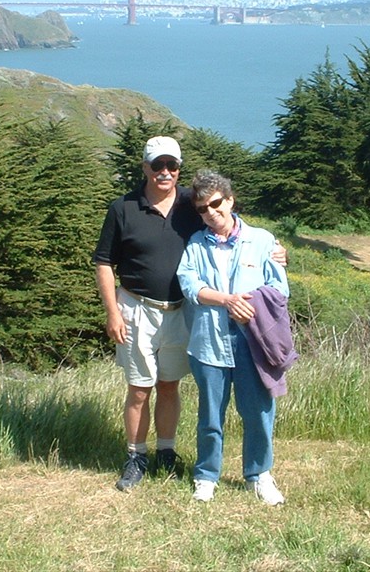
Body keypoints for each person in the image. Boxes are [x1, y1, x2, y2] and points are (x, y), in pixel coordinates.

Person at [94, 137, 287, 492]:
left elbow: (229, 220)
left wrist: (274, 249)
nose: (165, 172)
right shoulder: (123, 208)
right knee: (139, 388)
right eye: (157, 166)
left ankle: (166, 453)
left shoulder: (189, 203)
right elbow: (104, 262)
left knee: (169, 386)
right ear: (145, 168)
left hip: (183, 314)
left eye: (172, 166)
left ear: (179, 169)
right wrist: (113, 313)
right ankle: (136, 457)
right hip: (136, 308)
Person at [176, 169, 291, 505]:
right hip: (208, 343)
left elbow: (280, 288)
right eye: (201, 209)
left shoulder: (263, 240)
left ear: (230, 200)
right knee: (210, 415)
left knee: (258, 412)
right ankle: (206, 475)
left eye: (215, 204)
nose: (210, 213)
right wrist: (226, 301)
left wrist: (248, 303)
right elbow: (190, 286)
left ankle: (259, 475)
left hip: (252, 342)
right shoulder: (195, 245)